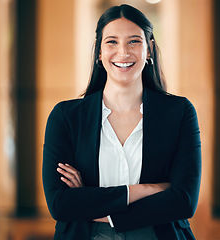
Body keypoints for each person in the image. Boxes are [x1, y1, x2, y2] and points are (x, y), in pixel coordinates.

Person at [42, 4, 201, 240]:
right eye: (112, 42)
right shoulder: (66, 117)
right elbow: (61, 204)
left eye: (134, 41)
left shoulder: (179, 113)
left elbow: (184, 201)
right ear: (99, 51)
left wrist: (92, 202)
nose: (123, 52)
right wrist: (146, 190)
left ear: (149, 50)